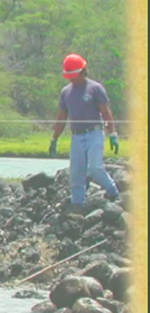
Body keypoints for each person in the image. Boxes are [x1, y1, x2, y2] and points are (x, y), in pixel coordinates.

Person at [49, 53, 121, 209]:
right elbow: (61, 118)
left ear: (83, 71)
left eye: (74, 75)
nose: (72, 79)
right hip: (77, 136)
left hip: (94, 133)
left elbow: (106, 112)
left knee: (95, 167)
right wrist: (54, 139)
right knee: (76, 172)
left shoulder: (95, 89)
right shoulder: (66, 92)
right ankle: (78, 203)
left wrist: (113, 134)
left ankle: (113, 192)